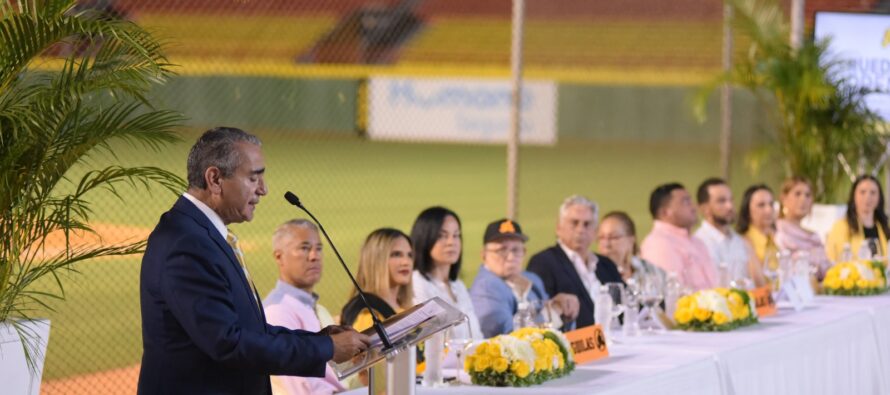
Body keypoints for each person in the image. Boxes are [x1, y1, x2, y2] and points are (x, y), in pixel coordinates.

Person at [139, 127, 368, 395]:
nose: (264, 189)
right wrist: (326, 349)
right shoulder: (186, 243)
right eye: (253, 178)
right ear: (214, 179)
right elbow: (229, 344)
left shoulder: (200, 234)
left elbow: (248, 331)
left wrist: (320, 341)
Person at [263, 219, 345, 395]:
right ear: (279, 256)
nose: (314, 256)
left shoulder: (316, 307)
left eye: (319, 248)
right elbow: (302, 389)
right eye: (304, 248)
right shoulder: (277, 310)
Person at [470, 218, 580, 338]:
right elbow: (508, 338)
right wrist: (554, 311)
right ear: (484, 255)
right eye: (502, 250)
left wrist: (566, 310)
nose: (511, 257)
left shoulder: (532, 279)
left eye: (516, 250)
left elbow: (556, 326)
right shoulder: (485, 287)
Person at [527, 195, 623, 329]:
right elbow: (539, 317)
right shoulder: (543, 262)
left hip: (617, 340)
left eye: (587, 224)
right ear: (558, 228)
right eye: (574, 223)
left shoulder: (606, 264)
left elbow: (624, 306)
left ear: (595, 231)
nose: (580, 229)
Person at [410, 207, 482, 340]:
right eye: (442, 236)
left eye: (456, 235)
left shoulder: (458, 285)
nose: (451, 242)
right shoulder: (417, 283)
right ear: (425, 238)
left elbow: (477, 336)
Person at [641, 182, 718, 290]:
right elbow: (672, 295)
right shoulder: (659, 244)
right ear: (665, 212)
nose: (694, 207)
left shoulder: (697, 242)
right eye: (686, 201)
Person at [340, 228, 415, 331]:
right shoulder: (367, 312)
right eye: (396, 254)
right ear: (376, 260)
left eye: (410, 255)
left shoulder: (407, 308)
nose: (406, 262)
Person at [693, 178, 753, 284]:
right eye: (721, 201)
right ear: (704, 208)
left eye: (731, 200)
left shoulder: (739, 240)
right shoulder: (698, 244)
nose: (729, 206)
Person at [826, 175, 890, 261]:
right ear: (854, 196)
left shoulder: (886, 226)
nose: (868, 197)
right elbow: (832, 259)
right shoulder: (841, 226)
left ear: (879, 197)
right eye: (862, 192)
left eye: (873, 192)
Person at [596, 211, 666, 286]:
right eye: (601, 238)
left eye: (614, 237)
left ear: (631, 240)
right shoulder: (592, 275)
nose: (606, 244)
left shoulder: (648, 270)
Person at [775, 177, 828, 266]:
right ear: (784, 199)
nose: (803, 199)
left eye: (808, 195)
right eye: (797, 194)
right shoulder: (778, 231)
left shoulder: (814, 237)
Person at [736, 184, 777, 286]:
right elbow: (758, 281)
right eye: (761, 205)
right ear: (748, 211)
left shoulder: (778, 238)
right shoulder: (743, 241)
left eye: (771, 204)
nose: (768, 210)